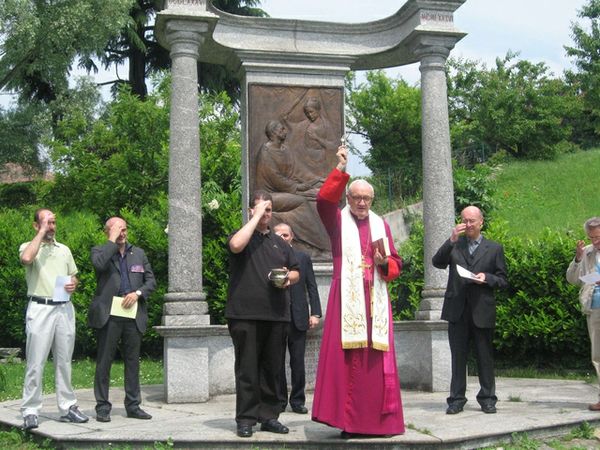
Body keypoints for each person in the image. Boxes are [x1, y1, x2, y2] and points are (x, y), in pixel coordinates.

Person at [311, 145, 405, 438]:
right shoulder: (339, 221)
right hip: (347, 302)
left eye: (367, 198)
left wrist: (384, 263)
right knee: (348, 363)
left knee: (377, 365)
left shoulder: (381, 225)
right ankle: (350, 422)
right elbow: (324, 201)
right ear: (348, 199)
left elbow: (396, 264)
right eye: (357, 197)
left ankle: (380, 424)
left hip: (375, 302)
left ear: (372, 200)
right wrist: (340, 169)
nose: (362, 203)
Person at [226, 191, 301, 438]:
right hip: (245, 314)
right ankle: (246, 418)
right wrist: (255, 216)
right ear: (250, 211)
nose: (264, 214)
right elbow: (236, 246)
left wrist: (288, 278)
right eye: (259, 209)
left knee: (273, 369)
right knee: (247, 369)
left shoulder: (279, 242)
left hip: (276, 314)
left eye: (268, 210)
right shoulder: (242, 237)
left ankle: (269, 416)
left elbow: (296, 271)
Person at [432, 206, 508, 415]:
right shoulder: (456, 245)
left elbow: (503, 280)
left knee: (485, 357)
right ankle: (456, 399)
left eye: (472, 220)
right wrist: (451, 240)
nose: (468, 224)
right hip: (457, 310)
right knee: (458, 358)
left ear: (481, 222)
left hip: (481, 310)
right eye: (465, 220)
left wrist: (488, 278)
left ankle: (487, 398)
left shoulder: (494, 248)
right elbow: (437, 262)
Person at [19, 208, 89, 430]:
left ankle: (68, 407)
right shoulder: (29, 247)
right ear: (36, 226)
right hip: (40, 308)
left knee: (64, 361)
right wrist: (40, 233)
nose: (51, 227)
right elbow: (26, 258)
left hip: (64, 309)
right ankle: (30, 410)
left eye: (53, 222)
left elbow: (73, 276)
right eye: (47, 222)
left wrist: (73, 284)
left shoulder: (64, 250)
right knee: (35, 362)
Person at [88, 217, 156, 423]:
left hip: (132, 313)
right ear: (108, 232)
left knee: (132, 361)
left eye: (124, 229)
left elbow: (151, 281)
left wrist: (138, 293)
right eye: (118, 230)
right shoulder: (100, 251)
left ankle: (133, 405)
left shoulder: (139, 253)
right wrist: (111, 240)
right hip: (109, 314)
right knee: (104, 361)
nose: (122, 234)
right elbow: (99, 265)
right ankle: (102, 406)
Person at [254, 119, 330, 256]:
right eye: (281, 129)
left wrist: (314, 181)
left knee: (317, 196)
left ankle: (318, 244)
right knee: (301, 202)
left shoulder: (285, 149)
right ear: (273, 133)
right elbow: (276, 179)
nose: (285, 131)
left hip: (286, 189)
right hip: (268, 196)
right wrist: (300, 188)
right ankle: (319, 245)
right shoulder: (266, 152)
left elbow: (294, 172)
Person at [273, 223, 322, 414]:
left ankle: (298, 401)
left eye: (286, 235)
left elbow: (312, 286)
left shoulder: (303, 258)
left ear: (291, 237)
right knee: (276, 362)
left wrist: (315, 313)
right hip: (275, 316)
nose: (283, 238)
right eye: (279, 235)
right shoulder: (268, 257)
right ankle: (279, 401)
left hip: (299, 317)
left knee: (298, 362)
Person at [566, 217, 600, 411]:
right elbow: (573, 279)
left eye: (598, 237)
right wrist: (577, 259)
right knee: (597, 354)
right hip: (594, 307)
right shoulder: (587, 252)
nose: (595, 241)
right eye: (592, 237)